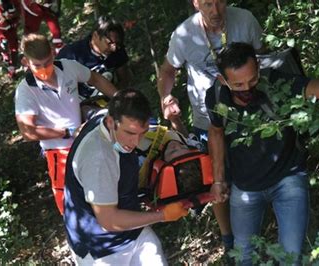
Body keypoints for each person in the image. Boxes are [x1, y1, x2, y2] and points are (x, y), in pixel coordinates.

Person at [205, 42, 319, 265]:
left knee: (290, 257)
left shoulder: (276, 83)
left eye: (252, 80)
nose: (247, 88)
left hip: (287, 179)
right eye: (238, 84)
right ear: (223, 80)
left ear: (259, 68)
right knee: (242, 255)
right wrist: (219, 180)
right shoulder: (215, 96)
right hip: (245, 187)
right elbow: (216, 134)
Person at [157, 0, 263, 254]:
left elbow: (264, 58)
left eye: (219, 2)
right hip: (207, 120)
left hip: (248, 115)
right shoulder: (183, 34)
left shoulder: (245, 20)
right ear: (196, 4)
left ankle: (254, 233)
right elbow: (168, 70)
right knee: (215, 181)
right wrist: (166, 97)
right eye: (207, 4)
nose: (215, 11)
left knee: (251, 173)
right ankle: (228, 239)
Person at [63, 89, 188, 265]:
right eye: (130, 133)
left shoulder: (111, 118)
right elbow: (109, 221)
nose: (136, 142)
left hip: (131, 228)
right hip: (101, 245)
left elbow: (81, 129)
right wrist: (163, 215)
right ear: (110, 122)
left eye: (142, 132)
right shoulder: (99, 158)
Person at [14, 33, 118, 215]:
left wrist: (120, 99)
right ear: (26, 62)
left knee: (104, 187)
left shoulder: (67, 67)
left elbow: (95, 78)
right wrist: (68, 132)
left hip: (86, 141)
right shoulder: (26, 91)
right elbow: (27, 132)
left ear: (54, 54)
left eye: (47, 62)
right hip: (58, 151)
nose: (44, 69)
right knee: (69, 204)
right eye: (37, 65)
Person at [57, 16, 131, 99]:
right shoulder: (70, 55)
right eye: (109, 43)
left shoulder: (118, 50)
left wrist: (116, 98)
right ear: (95, 35)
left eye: (117, 44)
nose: (114, 48)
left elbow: (124, 79)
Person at [0, 0, 21, 77]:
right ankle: (7, 59)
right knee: (4, 43)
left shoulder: (15, 4)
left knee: (13, 47)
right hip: (3, 29)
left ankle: (12, 65)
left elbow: (18, 13)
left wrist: (12, 20)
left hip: (11, 28)